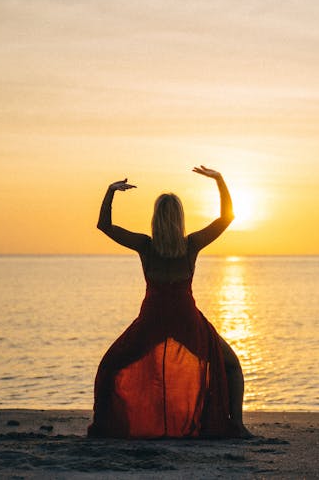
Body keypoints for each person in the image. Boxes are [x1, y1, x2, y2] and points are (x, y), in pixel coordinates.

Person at [87, 165, 251, 439]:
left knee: (110, 366)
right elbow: (227, 217)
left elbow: (104, 226)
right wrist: (220, 181)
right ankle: (237, 425)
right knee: (231, 365)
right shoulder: (191, 244)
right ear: (180, 219)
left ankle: (108, 425)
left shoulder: (145, 246)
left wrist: (110, 192)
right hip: (187, 324)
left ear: (155, 219)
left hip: (152, 323)